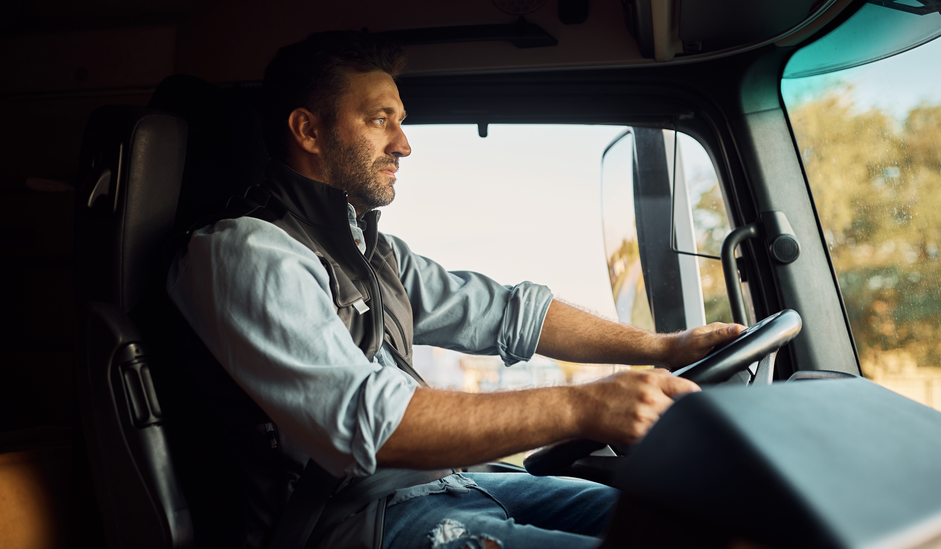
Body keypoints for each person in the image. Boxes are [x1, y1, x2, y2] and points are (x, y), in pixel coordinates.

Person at [166, 30, 744, 549]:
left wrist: (665, 348)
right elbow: (369, 423)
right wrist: (585, 405)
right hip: (352, 522)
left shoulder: (369, 251)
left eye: (401, 120)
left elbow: (506, 313)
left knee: (708, 526)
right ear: (308, 130)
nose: (404, 144)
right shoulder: (245, 253)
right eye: (379, 119)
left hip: (450, 487)